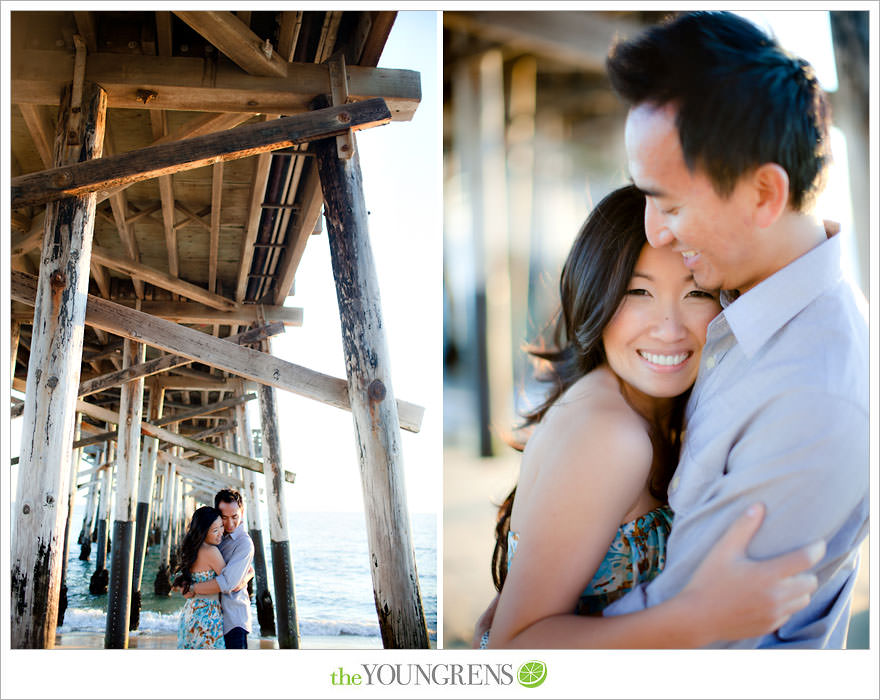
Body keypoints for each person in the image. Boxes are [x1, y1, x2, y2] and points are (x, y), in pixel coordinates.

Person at [595, 11, 867, 648]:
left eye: (672, 202)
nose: (654, 231)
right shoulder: (735, 305)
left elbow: (693, 643)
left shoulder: (810, 394)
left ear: (764, 195)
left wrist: (529, 636)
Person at [479, 185, 823, 649]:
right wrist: (702, 618)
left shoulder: (649, 408)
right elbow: (509, 650)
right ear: (595, 293)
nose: (669, 328)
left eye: (696, 292)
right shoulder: (610, 436)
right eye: (638, 291)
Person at [183, 489, 256, 649]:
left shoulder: (244, 544)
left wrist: (193, 588)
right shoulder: (213, 535)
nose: (229, 524)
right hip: (208, 618)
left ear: (242, 512)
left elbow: (229, 583)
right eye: (224, 517)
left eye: (235, 517)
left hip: (233, 620)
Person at [174, 506, 227, 649]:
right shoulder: (211, 551)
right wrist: (250, 573)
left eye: (221, 526)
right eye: (215, 530)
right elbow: (229, 582)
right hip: (208, 617)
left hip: (190, 614)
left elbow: (187, 591)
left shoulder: (193, 549)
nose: (221, 533)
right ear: (203, 532)